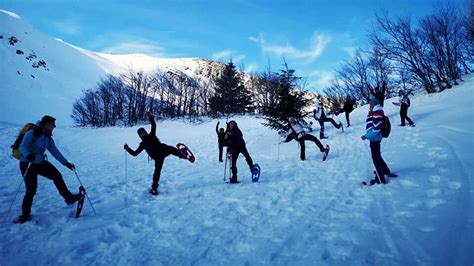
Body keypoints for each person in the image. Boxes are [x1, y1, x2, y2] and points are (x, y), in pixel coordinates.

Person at [16, 115, 81, 223]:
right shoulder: (32, 133)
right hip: (27, 164)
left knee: (57, 175)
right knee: (31, 190)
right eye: (53, 124)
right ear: (46, 124)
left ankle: (68, 197)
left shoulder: (48, 138)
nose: (54, 126)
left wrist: (66, 163)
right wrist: (28, 155)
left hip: (40, 162)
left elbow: (55, 152)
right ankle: (25, 215)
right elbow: (22, 146)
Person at [124, 113, 187, 195]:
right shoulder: (142, 144)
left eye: (143, 132)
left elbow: (153, 125)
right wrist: (127, 148)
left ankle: (182, 155)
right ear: (139, 135)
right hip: (158, 157)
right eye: (141, 133)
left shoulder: (151, 135)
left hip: (163, 150)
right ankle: (154, 189)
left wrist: (150, 117)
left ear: (145, 132)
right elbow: (135, 153)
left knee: (171, 149)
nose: (142, 134)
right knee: (157, 172)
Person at [361, 97, 393, 185]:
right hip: (375, 138)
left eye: (370, 104)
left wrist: (366, 136)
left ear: (374, 104)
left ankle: (380, 178)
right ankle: (385, 170)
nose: (369, 106)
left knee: (375, 158)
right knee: (377, 156)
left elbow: (376, 129)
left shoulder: (377, 113)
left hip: (375, 138)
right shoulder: (375, 112)